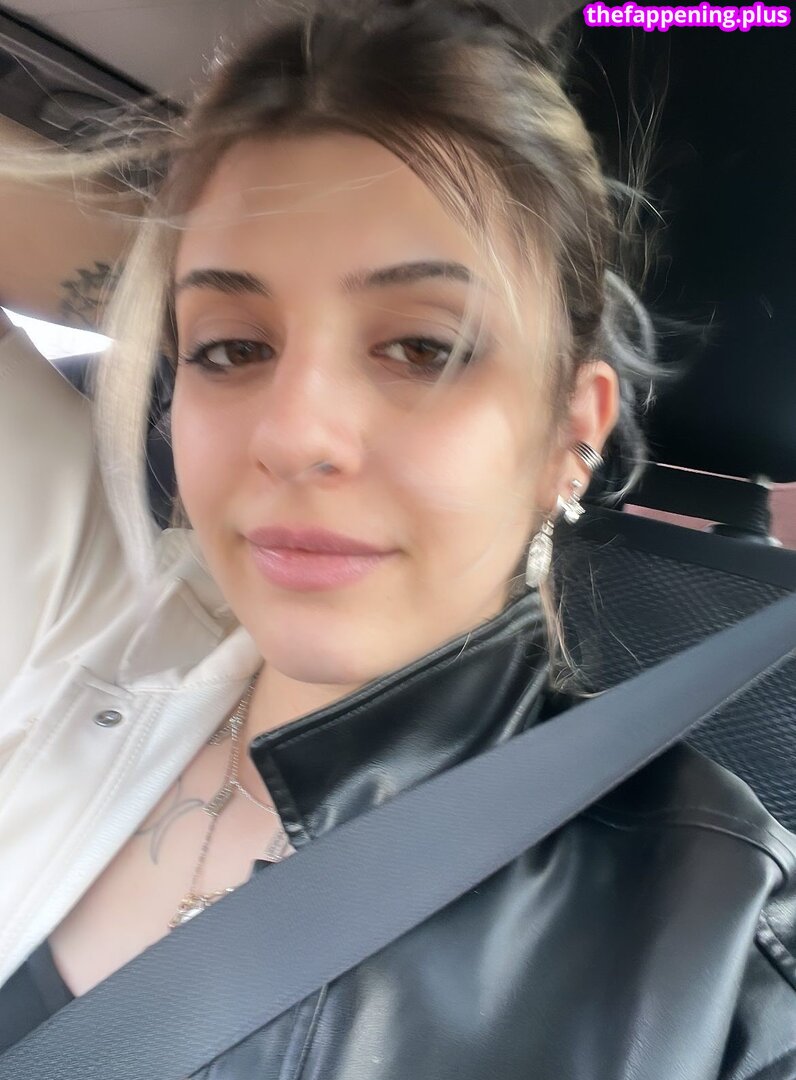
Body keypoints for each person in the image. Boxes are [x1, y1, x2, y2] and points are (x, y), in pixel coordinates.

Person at [0, 0, 794, 1074]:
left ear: (573, 431)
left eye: (423, 347)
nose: (294, 436)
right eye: (231, 348)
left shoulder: (725, 954)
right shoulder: (69, 642)